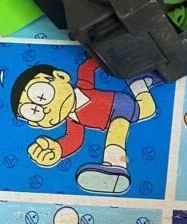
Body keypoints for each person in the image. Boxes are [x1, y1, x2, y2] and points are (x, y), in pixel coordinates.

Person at [11, 58, 160, 194]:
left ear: (61, 77)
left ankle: (115, 165)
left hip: (121, 106)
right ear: (35, 123)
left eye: (42, 95)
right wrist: (58, 150)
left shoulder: (83, 86)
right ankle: (138, 83)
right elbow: (74, 140)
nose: (46, 109)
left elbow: (87, 68)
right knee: (147, 108)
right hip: (116, 115)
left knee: (121, 126)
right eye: (34, 112)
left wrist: (105, 54)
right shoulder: (74, 120)